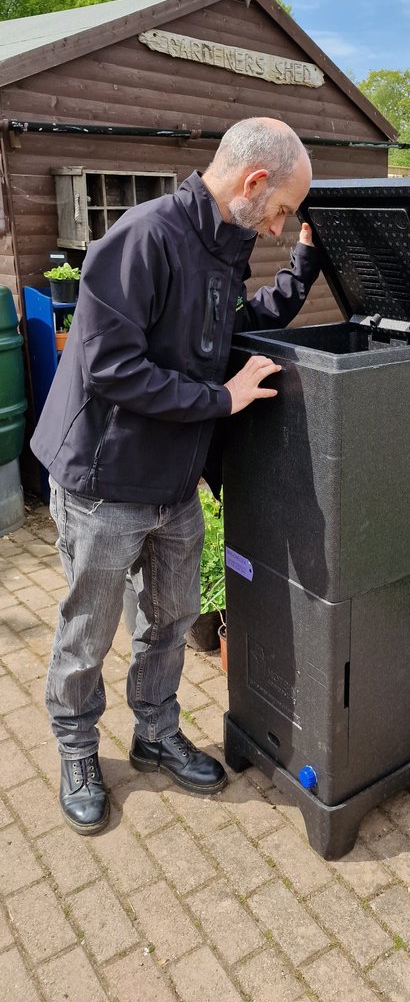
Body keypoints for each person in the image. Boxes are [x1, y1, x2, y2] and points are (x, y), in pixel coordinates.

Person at [31, 116, 319, 835]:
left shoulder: (226, 248)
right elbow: (110, 367)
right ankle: (76, 750)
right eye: (285, 208)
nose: (283, 225)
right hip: (105, 481)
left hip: (173, 484)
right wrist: (220, 400)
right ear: (254, 184)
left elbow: (232, 336)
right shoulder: (145, 236)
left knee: (170, 621)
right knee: (87, 632)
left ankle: (155, 733)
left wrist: (306, 265)